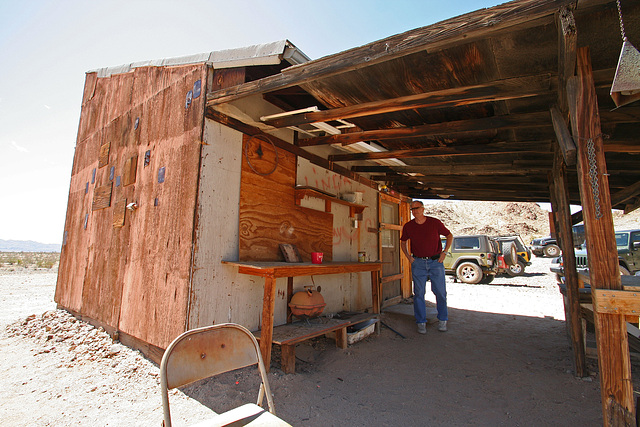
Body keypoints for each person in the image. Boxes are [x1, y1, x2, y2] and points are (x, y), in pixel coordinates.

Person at [400, 200, 453, 334]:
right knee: (418, 293)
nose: (414, 211)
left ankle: (443, 319)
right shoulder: (408, 226)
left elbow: (449, 235)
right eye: (412, 209)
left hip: (436, 262)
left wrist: (444, 253)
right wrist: (409, 257)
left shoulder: (434, 223)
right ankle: (421, 322)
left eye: (417, 208)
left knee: (440, 292)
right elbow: (403, 242)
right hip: (418, 263)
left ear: (423, 209)